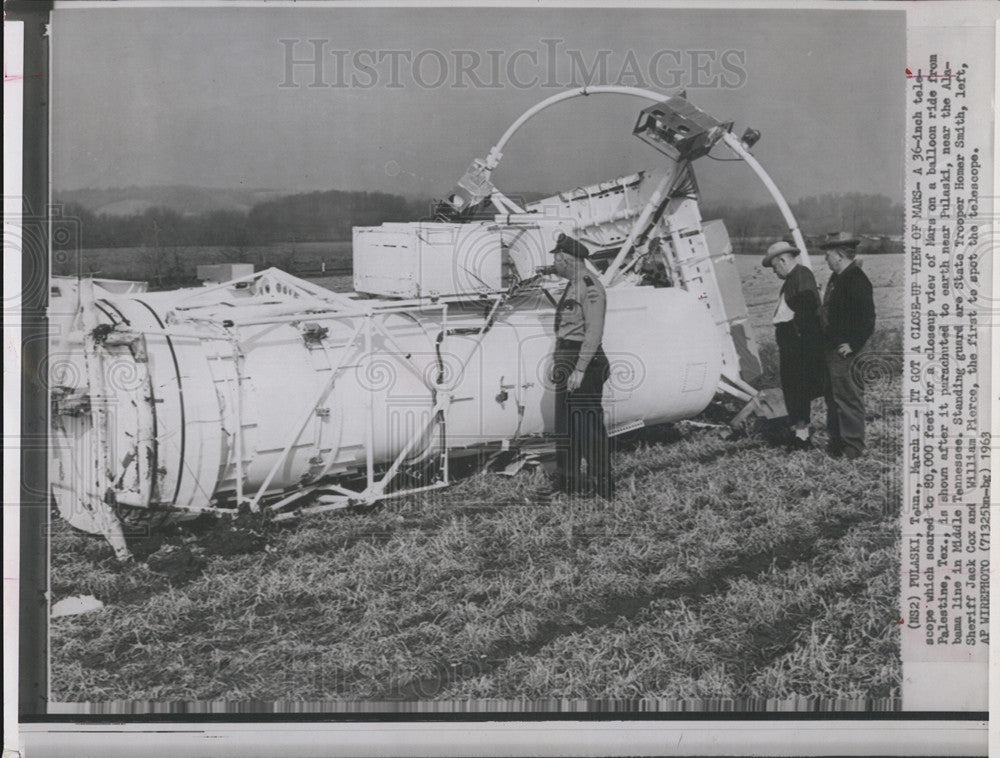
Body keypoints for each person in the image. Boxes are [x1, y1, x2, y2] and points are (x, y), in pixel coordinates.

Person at [545, 233, 614, 500]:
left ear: (566, 259)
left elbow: (593, 332)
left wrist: (580, 368)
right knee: (566, 428)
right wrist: (558, 358)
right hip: (567, 357)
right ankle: (568, 486)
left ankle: (603, 488)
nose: (555, 265)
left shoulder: (590, 287)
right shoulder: (573, 284)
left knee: (588, 427)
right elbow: (565, 327)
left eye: (557, 260)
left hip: (584, 360)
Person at [761, 240, 825, 450]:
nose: (774, 271)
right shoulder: (793, 279)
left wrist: (799, 336)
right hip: (793, 343)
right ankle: (800, 435)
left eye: (774, 266)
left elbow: (808, 304)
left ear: (782, 260)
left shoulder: (801, 275)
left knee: (798, 390)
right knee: (794, 390)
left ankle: (802, 437)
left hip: (797, 344)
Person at [819, 235, 876, 459]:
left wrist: (852, 344)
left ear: (840, 255)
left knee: (848, 398)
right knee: (835, 397)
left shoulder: (856, 280)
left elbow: (867, 319)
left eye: (828, 254)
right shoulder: (839, 278)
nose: (825, 258)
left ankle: (852, 449)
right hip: (834, 349)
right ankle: (837, 444)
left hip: (846, 353)